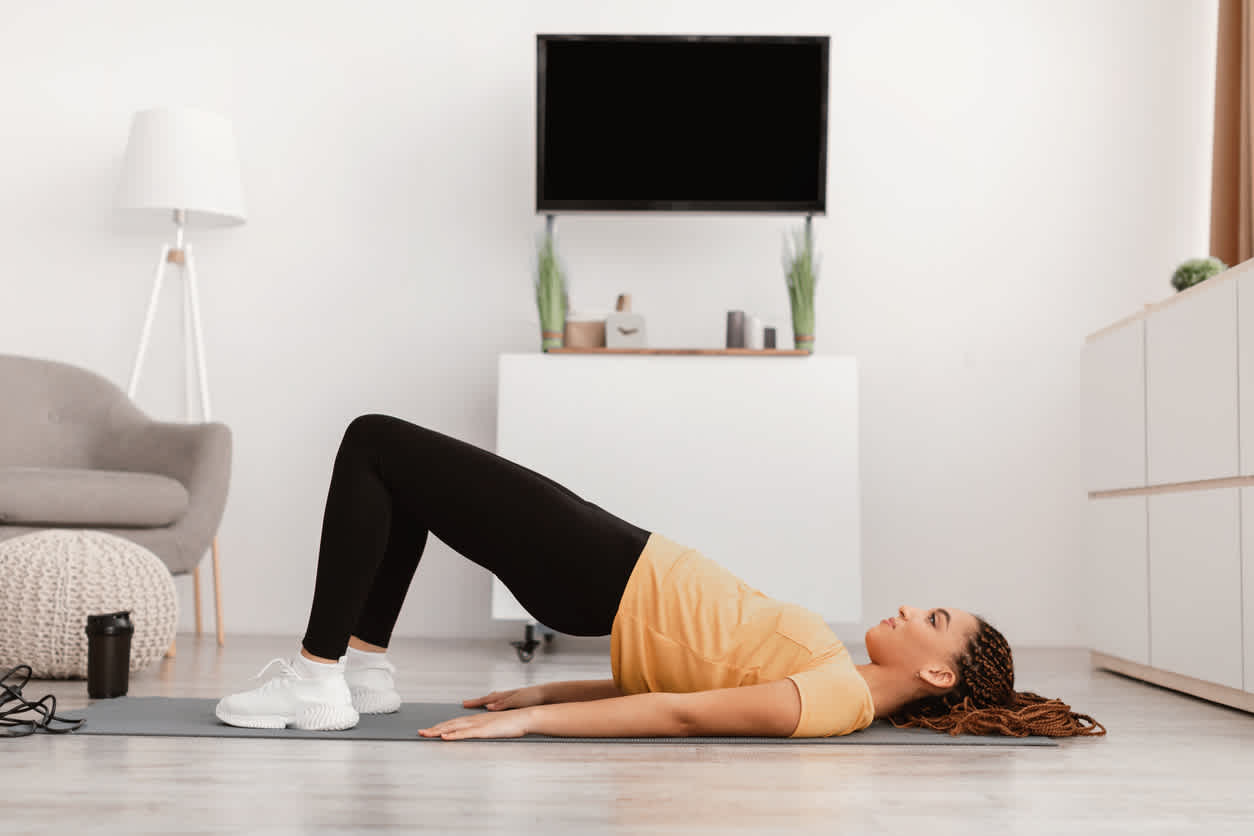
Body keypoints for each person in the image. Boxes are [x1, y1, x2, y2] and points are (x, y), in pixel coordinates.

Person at [216, 414, 1106, 740]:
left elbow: (681, 714)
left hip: (605, 569)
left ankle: (318, 675)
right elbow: (686, 672)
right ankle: (361, 671)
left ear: (939, 671)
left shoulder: (836, 703)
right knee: (404, 481)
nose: (912, 607)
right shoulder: (833, 677)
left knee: (375, 442)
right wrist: (540, 694)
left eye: (934, 617)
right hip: (608, 567)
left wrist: (535, 731)